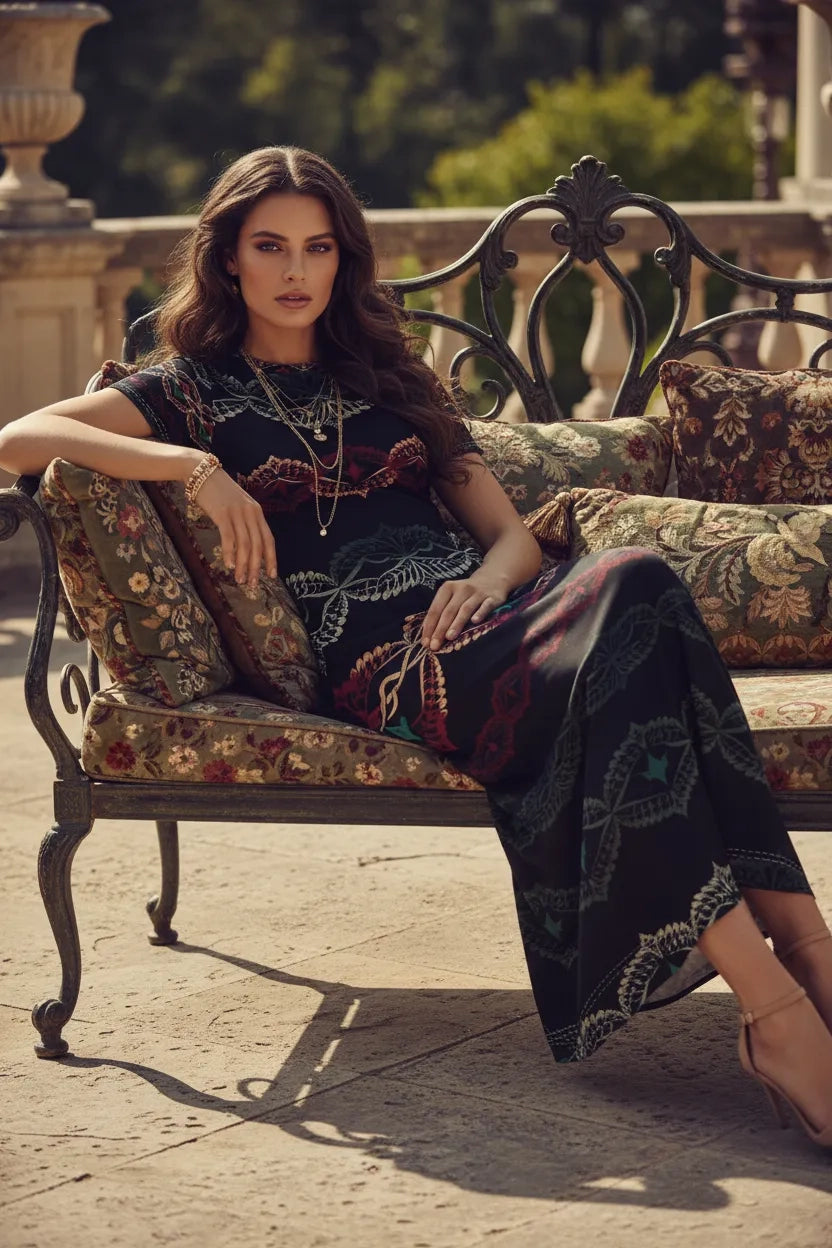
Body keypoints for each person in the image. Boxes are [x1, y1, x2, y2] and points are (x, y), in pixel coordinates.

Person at [0, 145, 830, 1146]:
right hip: (390, 666)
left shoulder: (394, 381)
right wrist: (190, 465)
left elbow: (514, 538)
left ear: (346, 261)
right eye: (270, 247)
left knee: (636, 584)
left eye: (317, 248)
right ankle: (784, 999)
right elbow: (19, 437)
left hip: (493, 618)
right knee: (634, 609)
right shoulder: (191, 391)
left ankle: (798, 969)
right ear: (228, 261)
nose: (296, 271)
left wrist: (483, 581)